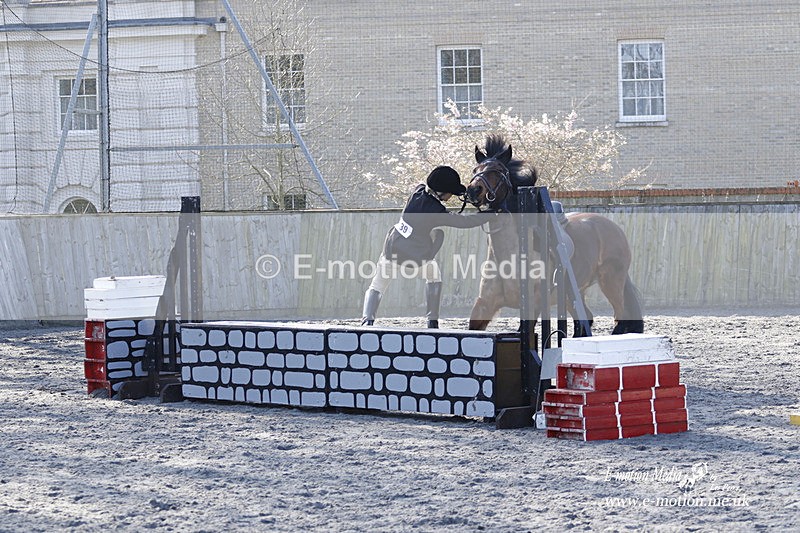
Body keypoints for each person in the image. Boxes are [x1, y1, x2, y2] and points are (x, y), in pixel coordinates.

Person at [361, 166, 495, 328]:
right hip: (416, 257)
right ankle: (432, 321)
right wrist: (490, 213)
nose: (451, 195)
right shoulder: (436, 211)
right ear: (441, 192)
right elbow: (464, 222)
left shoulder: (417, 192)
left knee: (377, 285)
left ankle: (367, 320)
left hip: (392, 248)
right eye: (450, 192)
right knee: (434, 277)